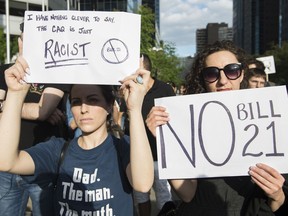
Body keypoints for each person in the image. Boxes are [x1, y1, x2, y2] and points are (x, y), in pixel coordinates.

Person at [0, 49, 154, 215]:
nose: (83, 109)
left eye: (92, 100)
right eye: (76, 101)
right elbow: (6, 161)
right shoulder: (56, 149)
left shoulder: (123, 147)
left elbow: (143, 184)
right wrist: (15, 95)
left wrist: (135, 109)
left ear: (109, 105)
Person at [145, 40, 288, 215]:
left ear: (242, 74)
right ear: (203, 80)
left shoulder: (268, 119)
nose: (223, 80)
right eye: (212, 73)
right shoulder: (190, 122)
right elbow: (187, 194)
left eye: (232, 70)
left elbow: (275, 204)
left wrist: (277, 196)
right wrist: (166, 140)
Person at [0, 25, 70, 216]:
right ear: (20, 42)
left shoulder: (55, 73)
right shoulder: (4, 72)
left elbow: (41, 112)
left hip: (40, 164)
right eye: (25, 39)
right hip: (6, 164)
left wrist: (5, 105)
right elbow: (39, 111)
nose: (28, 45)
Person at [133, 53, 175, 216]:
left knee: (164, 199)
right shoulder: (132, 90)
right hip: (137, 156)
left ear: (145, 69)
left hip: (160, 155)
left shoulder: (165, 89)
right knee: (141, 198)